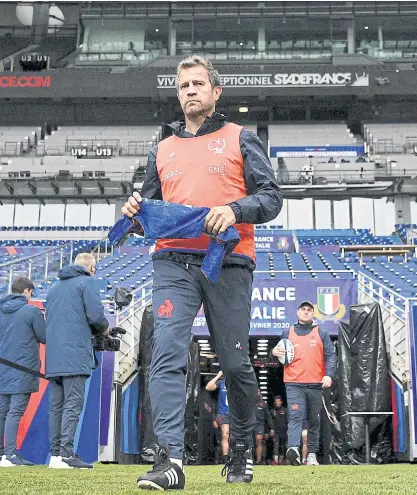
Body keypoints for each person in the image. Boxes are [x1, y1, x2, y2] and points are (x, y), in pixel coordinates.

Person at [122, 55, 282, 490]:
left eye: (198, 83)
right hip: (172, 261)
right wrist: (135, 212)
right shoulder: (161, 149)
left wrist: (233, 210)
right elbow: (147, 214)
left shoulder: (241, 139)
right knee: (168, 353)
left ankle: (243, 448)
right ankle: (170, 459)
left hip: (227, 262)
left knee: (234, 363)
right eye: (183, 85)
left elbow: (271, 198)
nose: (189, 90)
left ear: (216, 92)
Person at [45, 253, 109, 469]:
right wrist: (106, 328)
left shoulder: (53, 288)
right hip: (75, 355)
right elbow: (96, 316)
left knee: (56, 407)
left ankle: (55, 455)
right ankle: (66, 454)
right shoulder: (87, 283)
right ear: (91, 267)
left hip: (54, 357)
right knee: (72, 404)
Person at [272, 301, 336, 467]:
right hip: (294, 383)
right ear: (298, 312)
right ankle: (293, 450)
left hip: (316, 384)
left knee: (314, 420)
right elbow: (279, 355)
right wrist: (273, 352)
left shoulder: (321, 332)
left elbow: (331, 355)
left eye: (309, 310)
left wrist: (329, 375)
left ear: (313, 314)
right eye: (303, 309)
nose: (306, 312)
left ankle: (312, 455)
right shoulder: (287, 332)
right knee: (295, 416)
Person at [0, 277, 45, 467]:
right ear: (27, 291)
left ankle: (3, 454)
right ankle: (9, 454)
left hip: (3, 369)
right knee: (15, 412)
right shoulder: (31, 311)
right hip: (23, 369)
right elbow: (44, 336)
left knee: (3, 412)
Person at [206, 371, 229, 463]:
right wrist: (218, 376)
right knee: (225, 434)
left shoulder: (237, 382)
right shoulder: (222, 383)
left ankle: (236, 457)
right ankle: (225, 459)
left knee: (235, 436)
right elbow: (208, 387)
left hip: (235, 413)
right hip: (223, 413)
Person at [254, 389, 274, 465]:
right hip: (250, 425)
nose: (257, 393)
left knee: (259, 440)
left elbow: (268, 417)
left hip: (260, 425)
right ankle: (250, 459)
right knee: (250, 443)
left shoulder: (264, 404)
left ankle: (258, 460)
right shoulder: (248, 402)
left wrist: (271, 428)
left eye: (258, 391)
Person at [270, 395, 287, 465]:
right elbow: (269, 421)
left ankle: (280, 461)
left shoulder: (285, 410)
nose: (277, 403)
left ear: (281, 402)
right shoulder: (272, 411)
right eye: (276, 401)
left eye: (278, 401)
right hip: (275, 431)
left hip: (284, 431)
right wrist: (270, 430)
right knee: (276, 445)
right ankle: (276, 461)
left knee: (282, 446)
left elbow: (288, 421)